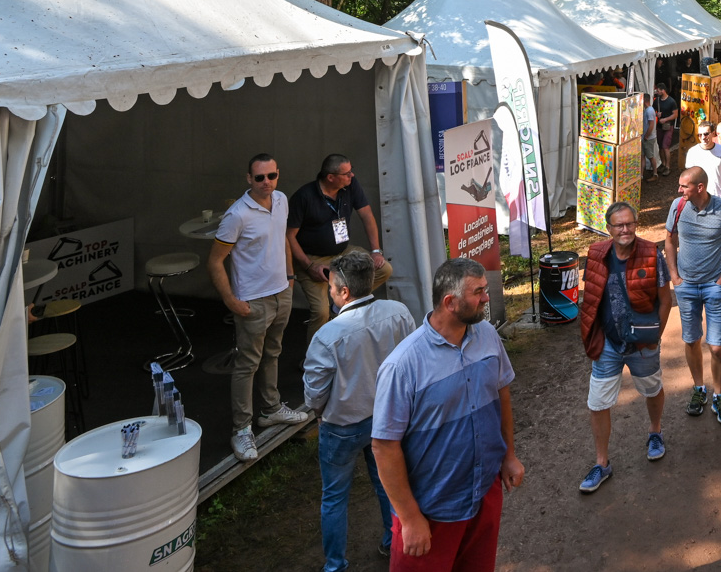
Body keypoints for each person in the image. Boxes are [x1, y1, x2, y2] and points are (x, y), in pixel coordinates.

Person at [372, 258, 524, 571]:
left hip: (483, 492)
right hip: (432, 510)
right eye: (478, 292)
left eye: (484, 289)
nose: (486, 297)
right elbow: (384, 446)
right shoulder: (403, 365)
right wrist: (410, 517)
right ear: (449, 302)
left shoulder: (487, 336)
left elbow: (502, 394)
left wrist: (509, 455)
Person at [304, 251, 416, 572]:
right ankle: (393, 542)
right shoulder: (398, 312)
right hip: (387, 418)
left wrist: (319, 413)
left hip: (341, 426)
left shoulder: (326, 336)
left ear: (343, 291)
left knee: (335, 497)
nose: (329, 292)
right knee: (387, 483)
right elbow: (410, 361)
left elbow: (314, 393)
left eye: (330, 287)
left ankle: (336, 565)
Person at [210, 153, 309, 463]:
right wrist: (230, 299)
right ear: (248, 179)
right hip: (253, 299)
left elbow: (282, 241)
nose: (267, 183)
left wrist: (290, 278)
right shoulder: (237, 215)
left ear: (278, 175)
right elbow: (215, 261)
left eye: (272, 176)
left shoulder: (281, 200)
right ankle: (241, 429)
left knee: (273, 353)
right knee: (247, 363)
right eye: (260, 178)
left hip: (281, 292)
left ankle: (270, 409)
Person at [576, 201, 673, 493]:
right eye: (619, 225)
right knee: (597, 402)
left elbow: (665, 300)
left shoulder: (651, 254)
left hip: (643, 342)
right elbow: (591, 293)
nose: (625, 229)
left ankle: (655, 431)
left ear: (636, 224)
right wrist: (590, 330)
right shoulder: (596, 254)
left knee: (652, 389)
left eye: (629, 223)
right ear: (609, 229)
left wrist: (656, 336)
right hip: (607, 343)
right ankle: (602, 462)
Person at [288, 153, 392, 345]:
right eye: (347, 173)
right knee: (320, 311)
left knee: (384, 269)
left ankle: (342, 306)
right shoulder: (304, 197)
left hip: (342, 253)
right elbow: (289, 236)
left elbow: (367, 216)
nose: (352, 176)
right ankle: (314, 360)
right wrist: (309, 265)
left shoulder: (349, 186)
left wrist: (376, 251)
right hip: (313, 258)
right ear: (330, 177)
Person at [665, 167, 721, 428]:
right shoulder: (678, 206)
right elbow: (669, 241)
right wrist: (675, 277)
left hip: (715, 287)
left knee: (716, 345)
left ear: (700, 187)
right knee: (691, 339)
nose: (679, 190)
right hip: (686, 286)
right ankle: (699, 389)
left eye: (684, 186)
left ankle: (718, 394)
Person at [685, 122, 721, 201]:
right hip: (699, 199)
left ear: (713, 133)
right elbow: (689, 179)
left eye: (706, 134)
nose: (703, 137)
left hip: (718, 197)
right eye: (700, 135)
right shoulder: (692, 152)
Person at [642, 98, 661, 178]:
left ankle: (655, 174)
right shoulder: (649, 110)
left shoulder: (649, 111)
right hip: (645, 137)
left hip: (648, 138)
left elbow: (651, 125)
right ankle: (641, 175)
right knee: (642, 156)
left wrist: (646, 136)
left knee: (650, 156)